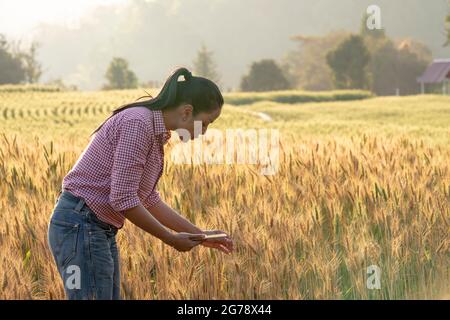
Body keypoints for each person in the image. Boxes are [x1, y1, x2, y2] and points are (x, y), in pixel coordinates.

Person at [47, 67, 234, 300]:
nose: (205, 132)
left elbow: (147, 198)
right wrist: (171, 239)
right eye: (205, 123)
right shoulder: (139, 124)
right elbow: (123, 199)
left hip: (93, 227)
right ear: (187, 111)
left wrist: (199, 235)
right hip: (81, 224)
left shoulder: (154, 131)